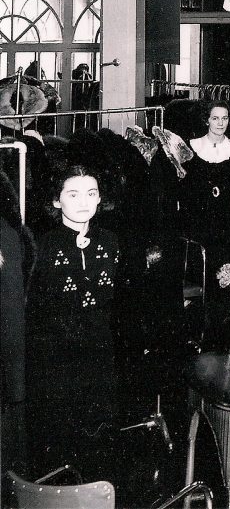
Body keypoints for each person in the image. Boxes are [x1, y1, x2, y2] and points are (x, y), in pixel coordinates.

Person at [25, 164, 119, 475]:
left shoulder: (111, 242)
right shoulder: (41, 246)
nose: (83, 202)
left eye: (91, 193)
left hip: (100, 352)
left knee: (98, 445)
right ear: (56, 201)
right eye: (73, 194)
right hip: (56, 357)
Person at [179, 100, 230, 326]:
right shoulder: (190, 149)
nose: (220, 123)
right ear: (206, 120)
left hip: (228, 230)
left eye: (225, 118)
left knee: (227, 283)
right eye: (215, 118)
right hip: (199, 229)